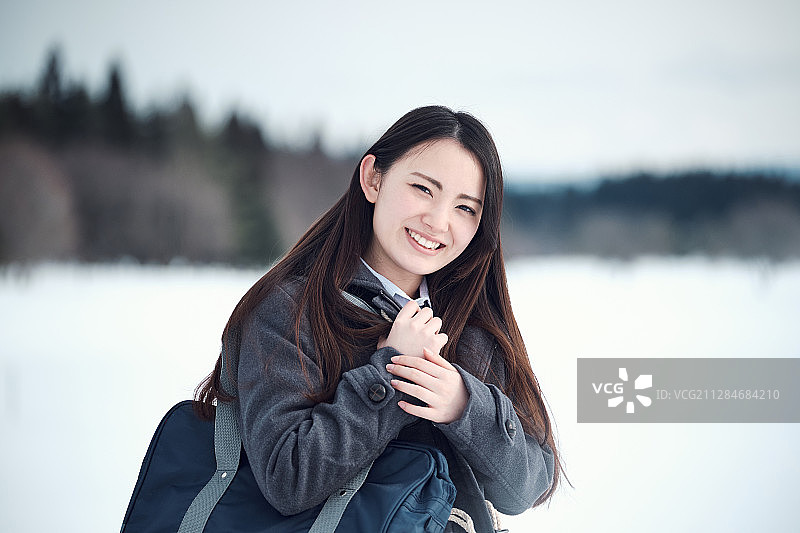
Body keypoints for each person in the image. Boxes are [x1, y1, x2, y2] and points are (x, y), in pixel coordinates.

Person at [195, 105, 563, 532]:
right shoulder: (290, 311)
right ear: (373, 178)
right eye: (424, 189)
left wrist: (463, 404)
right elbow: (288, 478)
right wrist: (387, 374)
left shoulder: (471, 330)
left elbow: (527, 486)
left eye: (465, 208)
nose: (438, 221)